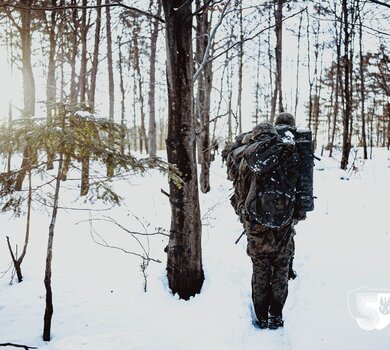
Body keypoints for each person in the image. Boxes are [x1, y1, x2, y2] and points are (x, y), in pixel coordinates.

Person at [227, 116, 306, 330]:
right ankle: (276, 314)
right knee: (281, 265)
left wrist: (244, 214)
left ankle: (261, 315)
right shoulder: (288, 152)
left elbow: (239, 190)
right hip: (283, 220)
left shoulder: (247, 158)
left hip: (255, 221)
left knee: (260, 265)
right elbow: (299, 186)